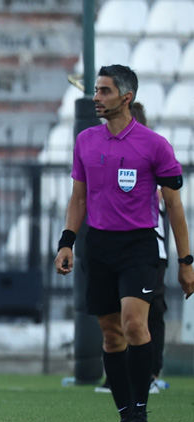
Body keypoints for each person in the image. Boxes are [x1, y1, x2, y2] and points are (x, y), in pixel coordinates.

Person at [54, 65, 194, 422]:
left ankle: (141, 418)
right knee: (111, 336)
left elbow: (175, 207)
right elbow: (78, 197)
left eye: (104, 91)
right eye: (96, 91)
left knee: (135, 324)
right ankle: (126, 416)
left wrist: (186, 261)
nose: (96, 98)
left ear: (125, 98)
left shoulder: (154, 145)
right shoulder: (85, 140)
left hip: (139, 245)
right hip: (97, 246)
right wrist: (67, 241)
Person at [93, 102, 170, 396]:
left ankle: (150, 374)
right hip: (112, 247)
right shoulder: (105, 150)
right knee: (115, 316)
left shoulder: (152, 151)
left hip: (149, 248)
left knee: (149, 315)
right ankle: (117, 377)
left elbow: (167, 198)